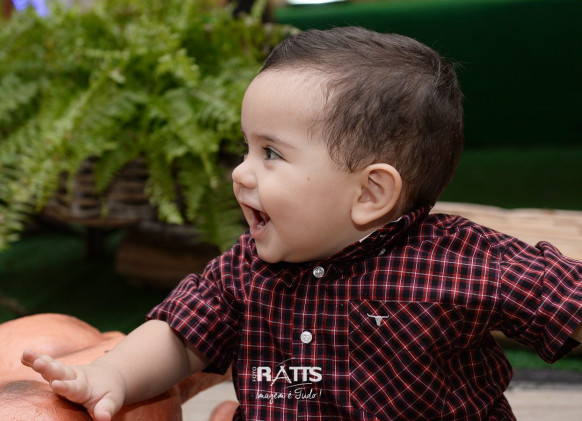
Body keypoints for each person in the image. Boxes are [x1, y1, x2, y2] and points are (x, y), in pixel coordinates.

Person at [22, 26, 582, 420]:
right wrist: (113, 376)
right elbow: (179, 336)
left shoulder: (462, 262)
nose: (240, 173)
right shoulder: (246, 269)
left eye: (271, 153)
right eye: (245, 147)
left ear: (370, 193)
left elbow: (561, 295)